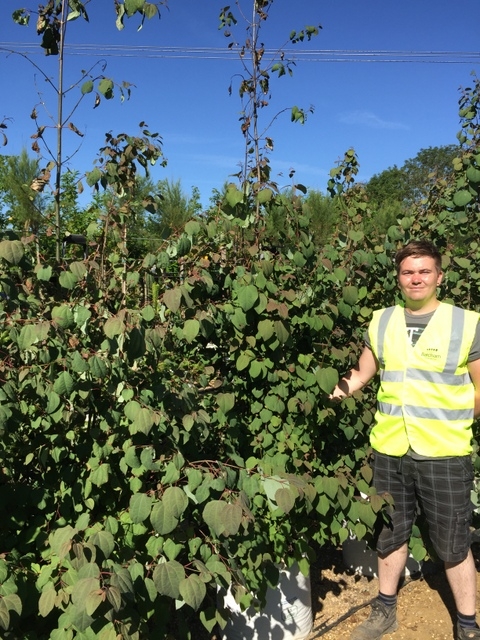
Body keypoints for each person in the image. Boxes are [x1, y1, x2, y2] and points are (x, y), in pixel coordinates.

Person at [330, 239, 480, 640]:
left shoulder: (467, 323)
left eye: (424, 271)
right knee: (391, 533)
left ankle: (467, 623)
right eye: (408, 272)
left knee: (452, 542)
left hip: (445, 451)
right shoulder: (381, 321)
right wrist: (326, 393)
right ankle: (385, 609)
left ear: (439, 277)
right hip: (391, 448)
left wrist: (456, 423)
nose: (415, 278)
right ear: (398, 278)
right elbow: (363, 374)